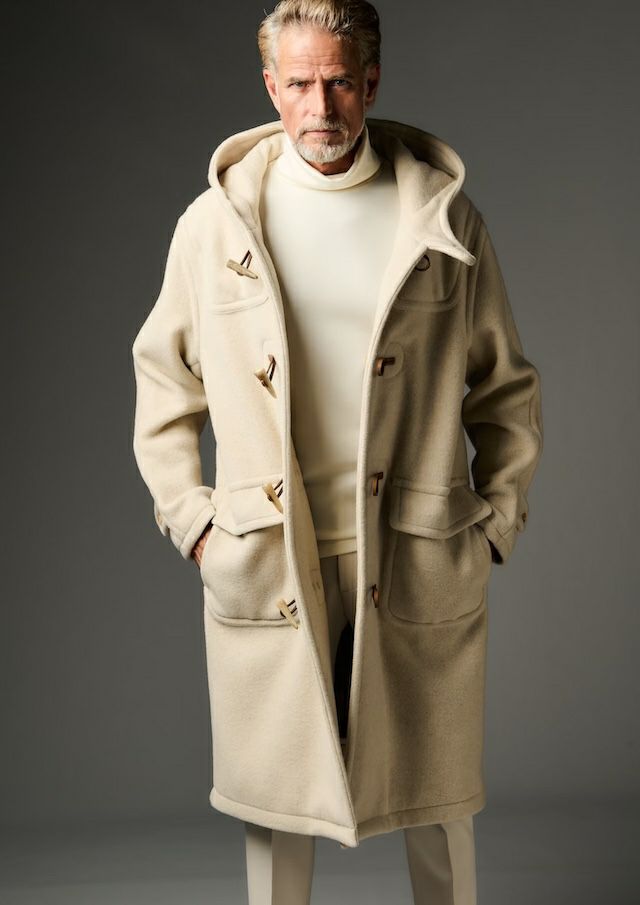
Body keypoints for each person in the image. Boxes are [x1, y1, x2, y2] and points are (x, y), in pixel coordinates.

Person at [131, 1, 543, 903]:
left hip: (414, 547)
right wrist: (197, 522)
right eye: (300, 83)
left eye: (340, 82)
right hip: (270, 553)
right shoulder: (213, 227)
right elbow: (163, 383)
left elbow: (506, 388)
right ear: (270, 86)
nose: (321, 106)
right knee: (277, 804)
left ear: (372, 81)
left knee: (437, 800)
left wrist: (495, 522)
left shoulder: (442, 220)